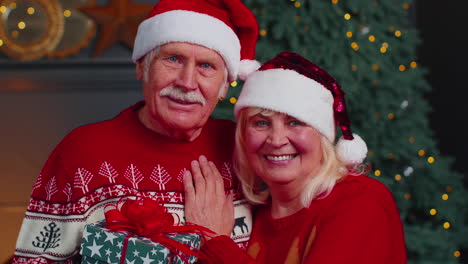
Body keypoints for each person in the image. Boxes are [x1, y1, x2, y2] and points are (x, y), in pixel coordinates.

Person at [13, 0, 260, 262]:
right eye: (173, 59)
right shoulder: (82, 153)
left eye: (206, 66)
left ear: (224, 85)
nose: (187, 82)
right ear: (142, 66)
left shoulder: (246, 150)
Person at [183, 52, 408, 263]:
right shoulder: (257, 214)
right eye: (261, 122)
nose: (276, 139)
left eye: (295, 122)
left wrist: (215, 242)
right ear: (243, 136)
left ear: (322, 136)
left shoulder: (361, 202)